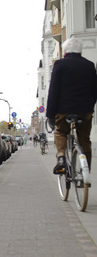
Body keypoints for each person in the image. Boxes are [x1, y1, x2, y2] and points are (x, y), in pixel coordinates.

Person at [46, 37, 97, 174]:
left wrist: (50, 114)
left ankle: (61, 157)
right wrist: (90, 107)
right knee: (84, 140)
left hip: (64, 111)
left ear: (65, 51)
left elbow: (54, 90)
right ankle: (86, 171)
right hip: (85, 111)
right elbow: (94, 90)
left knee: (61, 132)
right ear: (80, 51)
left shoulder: (60, 65)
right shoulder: (89, 65)